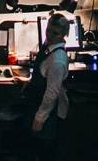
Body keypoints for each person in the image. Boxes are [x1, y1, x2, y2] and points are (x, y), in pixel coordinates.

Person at [25, 14, 71, 157]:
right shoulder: (48, 48)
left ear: (64, 35)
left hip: (47, 113)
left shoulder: (57, 60)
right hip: (37, 103)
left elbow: (52, 93)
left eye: (55, 33)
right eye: (48, 30)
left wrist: (39, 118)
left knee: (43, 152)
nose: (49, 35)